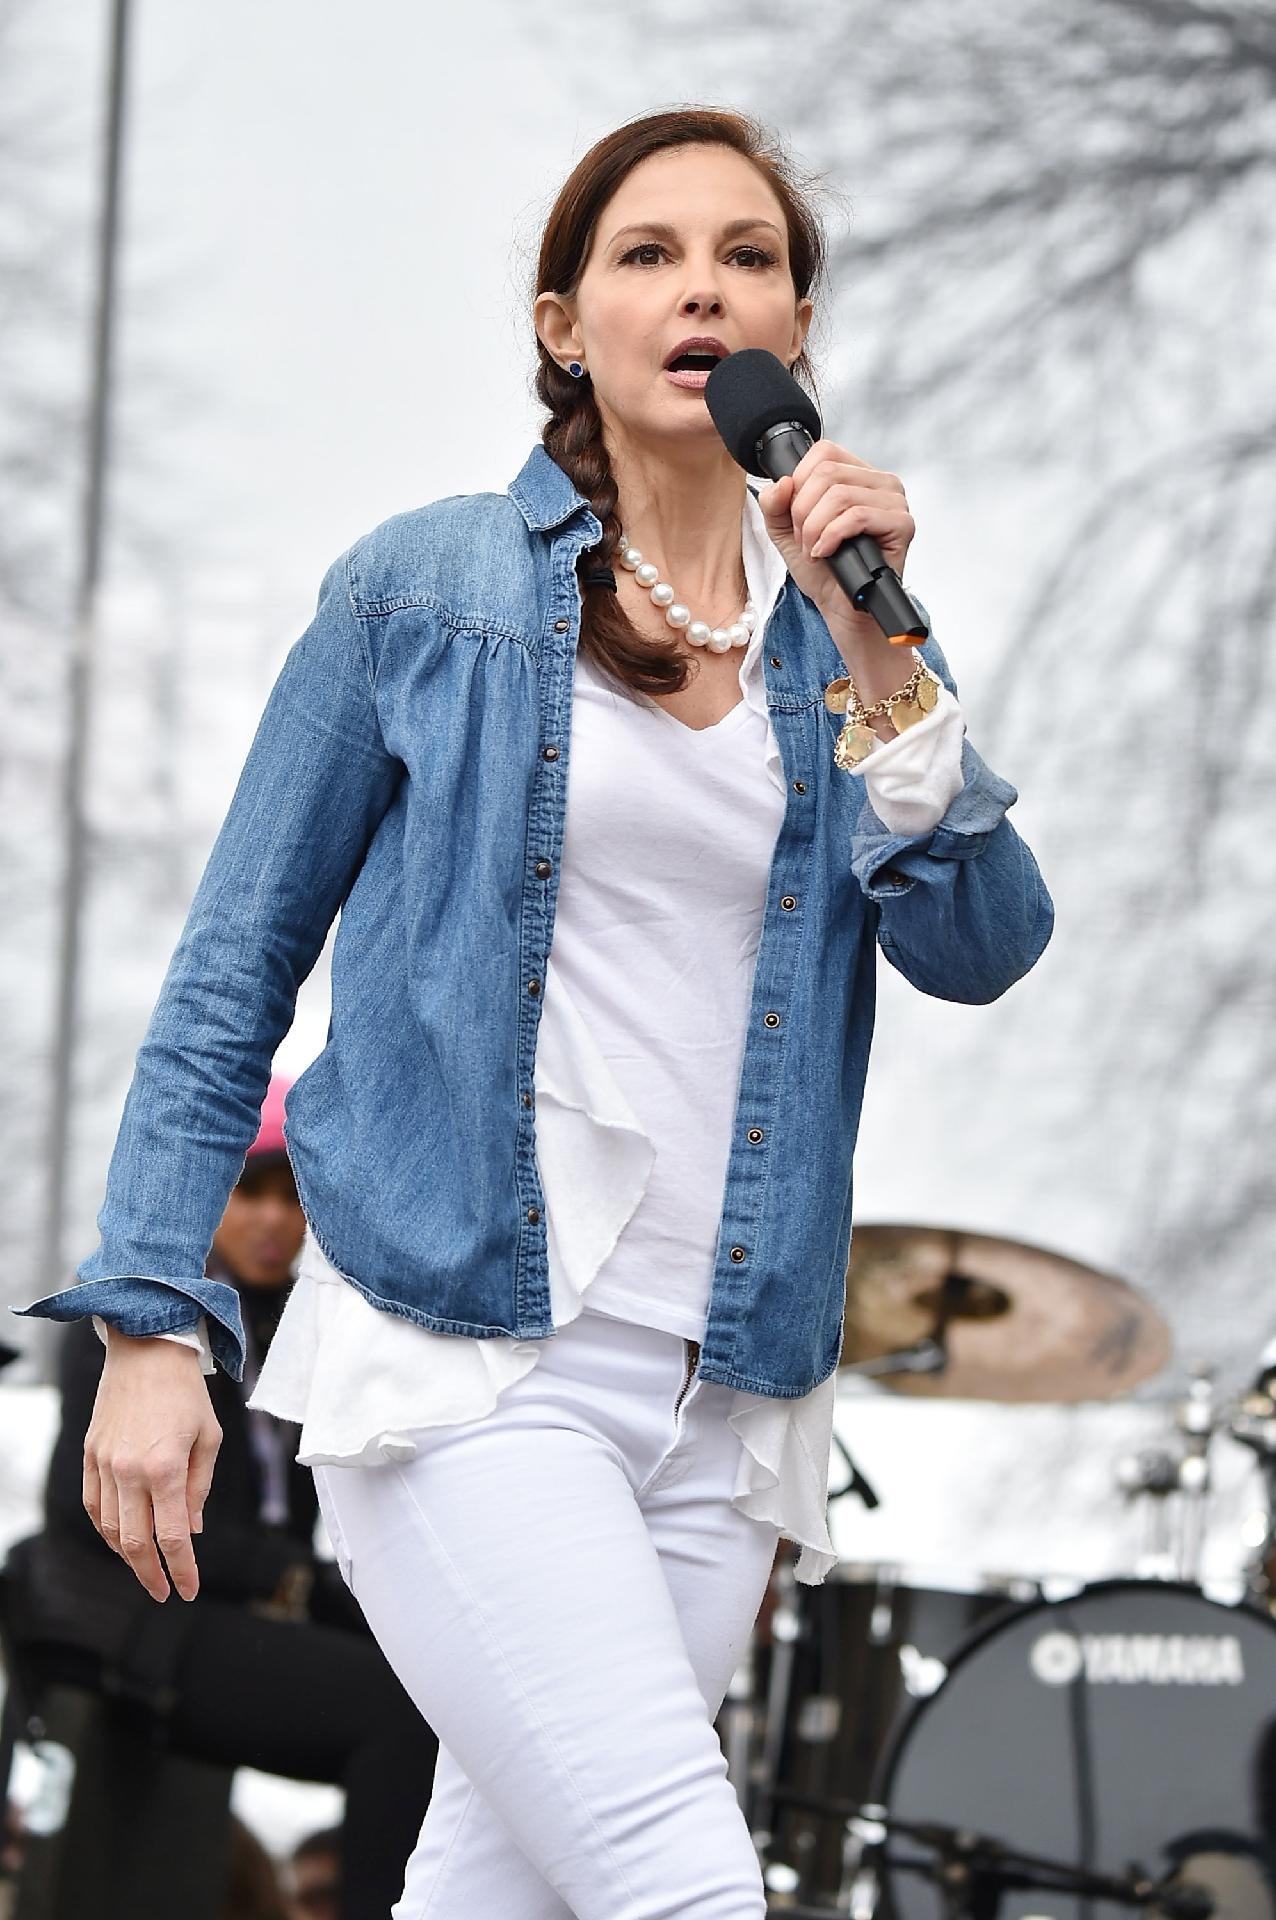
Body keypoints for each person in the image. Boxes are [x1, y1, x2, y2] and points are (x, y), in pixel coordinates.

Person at [12, 106, 1053, 1918]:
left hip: (722, 1390)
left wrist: (887, 650)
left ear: (795, 330)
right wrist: (157, 1322)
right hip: (475, 1362)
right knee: (680, 1883)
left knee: (512, 1893)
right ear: (566, 322)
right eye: (649, 255)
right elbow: (229, 976)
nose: (703, 287)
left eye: (749, 256)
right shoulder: (424, 591)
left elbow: (981, 944)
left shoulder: (846, 642)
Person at [4, 1080, 437, 1919]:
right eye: (249, 1192)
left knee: (434, 1679)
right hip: (118, 1615)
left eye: (293, 1198)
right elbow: (83, 1506)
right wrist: (301, 1584)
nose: (274, 1220)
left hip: (218, 1611)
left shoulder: (302, 1331)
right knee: (395, 1712)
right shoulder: (141, 1319)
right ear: (207, 1196)